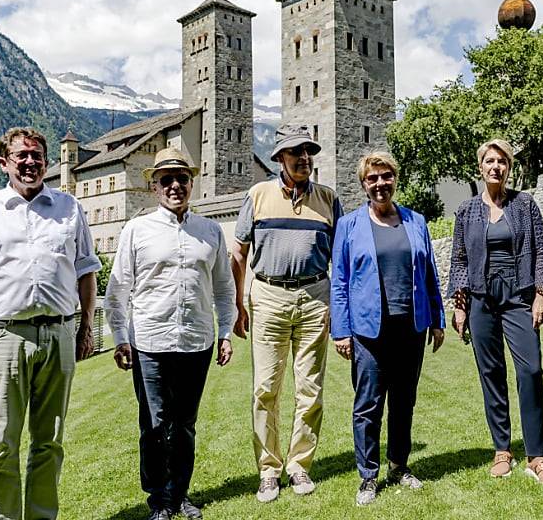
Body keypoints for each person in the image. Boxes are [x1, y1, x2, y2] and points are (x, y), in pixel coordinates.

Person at [0, 127, 100, 520]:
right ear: (5, 163)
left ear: (47, 162)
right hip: (4, 337)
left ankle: (40, 516)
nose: (30, 162)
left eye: (37, 156)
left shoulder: (70, 208)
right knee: (3, 440)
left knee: (49, 441)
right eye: (21, 156)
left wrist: (86, 328)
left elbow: (86, 272)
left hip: (59, 333)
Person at [103, 148, 236, 520]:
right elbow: (118, 291)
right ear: (154, 187)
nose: (175, 185)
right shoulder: (137, 230)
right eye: (167, 180)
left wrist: (225, 331)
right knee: (154, 425)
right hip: (149, 341)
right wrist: (119, 337)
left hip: (197, 340)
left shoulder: (209, 232)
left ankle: (180, 495)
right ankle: (159, 500)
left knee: (185, 425)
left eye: (182, 178)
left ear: (191, 183)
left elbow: (224, 288)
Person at [231, 126, 343, 503]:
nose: (304, 158)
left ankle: (298, 466)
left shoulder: (328, 198)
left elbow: (340, 261)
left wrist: (338, 308)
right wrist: (237, 302)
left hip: (314, 297)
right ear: (280, 157)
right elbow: (239, 253)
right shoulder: (258, 195)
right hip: (268, 295)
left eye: (308, 152)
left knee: (310, 390)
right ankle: (268, 469)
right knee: (266, 388)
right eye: (296, 152)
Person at [330, 152, 446, 505]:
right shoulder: (349, 226)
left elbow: (429, 275)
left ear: (395, 178)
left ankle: (399, 465)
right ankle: (368, 475)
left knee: (404, 401)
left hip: (410, 327)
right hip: (368, 331)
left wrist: (438, 320)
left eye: (386, 177)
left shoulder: (416, 221)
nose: (380, 184)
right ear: (364, 184)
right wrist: (341, 330)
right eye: (372, 178)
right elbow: (339, 281)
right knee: (368, 404)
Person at [447, 139, 543, 483]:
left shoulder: (525, 205)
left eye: (502, 162)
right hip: (481, 298)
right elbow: (459, 259)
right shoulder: (466, 211)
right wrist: (460, 306)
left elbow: (539, 249)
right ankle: (502, 450)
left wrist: (541, 294)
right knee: (491, 373)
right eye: (490, 161)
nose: (496, 167)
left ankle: (536, 455)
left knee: (531, 370)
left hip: (518, 295)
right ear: (480, 167)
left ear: (509, 168)